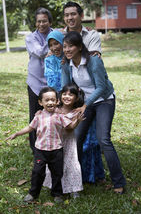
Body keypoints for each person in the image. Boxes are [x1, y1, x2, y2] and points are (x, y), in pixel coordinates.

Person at [61, 31, 126, 194]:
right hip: (85, 104)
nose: (67, 50)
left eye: (71, 46)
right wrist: (60, 104)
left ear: (80, 47)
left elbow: (102, 87)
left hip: (104, 100)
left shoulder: (93, 61)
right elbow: (65, 87)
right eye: (65, 46)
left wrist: (85, 105)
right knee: (75, 138)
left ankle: (119, 182)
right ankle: (75, 179)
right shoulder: (66, 64)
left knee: (103, 139)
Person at [44, 29, 105, 185]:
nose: (55, 47)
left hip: (83, 101)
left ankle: (89, 175)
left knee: (92, 140)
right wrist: (58, 102)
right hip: (64, 101)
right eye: (51, 45)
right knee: (70, 140)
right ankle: (66, 177)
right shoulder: (56, 61)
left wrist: (81, 103)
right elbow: (61, 85)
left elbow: (98, 85)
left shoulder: (83, 60)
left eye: (57, 43)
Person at [6, 87, 84, 203]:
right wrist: (17, 133)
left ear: (57, 102)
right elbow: (30, 127)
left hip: (56, 150)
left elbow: (69, 127)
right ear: (40, 103)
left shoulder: (60, 117)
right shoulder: (38, 116)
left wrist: (77, 121)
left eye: (53, 100)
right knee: (37, 172)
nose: (50, 102)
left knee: (57, 174)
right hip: (41, 151)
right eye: (47, 100)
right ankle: (33, 194)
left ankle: (57, 194)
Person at [44, 84, 84, 198]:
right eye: (64, 94)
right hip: (55, 141)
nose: (67, 97)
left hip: (69, 142)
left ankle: (74, 188)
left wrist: (77, 121)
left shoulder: (76, 112)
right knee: (55, 164)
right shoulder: (55, 109)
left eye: (71, 95)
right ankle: (57, 188)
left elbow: (70, 127)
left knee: (71, 164)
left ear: (76, 98)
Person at [25, 7, 53, 151]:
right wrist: (54, 42)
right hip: (35, 82)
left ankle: (52, 144)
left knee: (53, 115)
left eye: (44, 21)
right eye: (38, 21)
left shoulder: (56, 34)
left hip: (53, 82)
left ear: (50, 21)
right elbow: (39, 52)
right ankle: (35, 148)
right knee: (35, 115)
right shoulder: (30, 38)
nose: (41, 24)